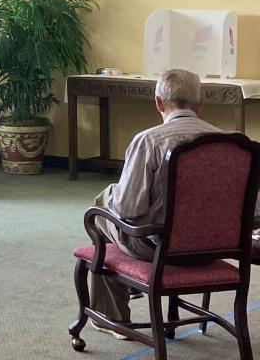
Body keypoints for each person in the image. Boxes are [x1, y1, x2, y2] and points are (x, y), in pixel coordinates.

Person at [89, 68, 225, 337]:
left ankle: (113, 315)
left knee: (101, 208)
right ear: (200, 105)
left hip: (160, 250)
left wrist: (112, 194)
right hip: (214, 249)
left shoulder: (150, 141)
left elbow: (128, 209)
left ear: (158, 103)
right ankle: (126, 288)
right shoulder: (231, 144)